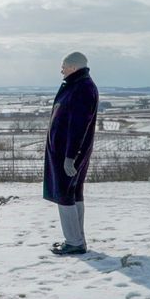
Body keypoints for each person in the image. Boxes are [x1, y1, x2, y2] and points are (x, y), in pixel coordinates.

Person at [43, 52, 99, 255]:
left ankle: (74, 242)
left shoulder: (82, 88)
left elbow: (78, 126)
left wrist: (70, 156)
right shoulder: (76, 85)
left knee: (65, 194)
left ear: (74, 68)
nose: (61, 69)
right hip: (64, 152)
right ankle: (77, 239)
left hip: (67, 153)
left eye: (64, 66)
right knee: (72, 193)